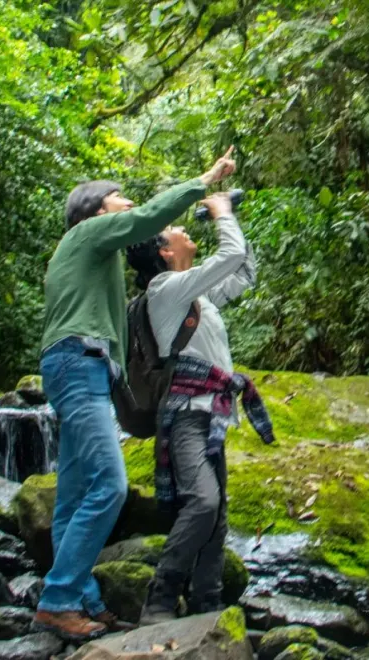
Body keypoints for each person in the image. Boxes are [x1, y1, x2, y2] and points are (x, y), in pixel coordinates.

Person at [32, 148, 237, 642]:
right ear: (96, 210)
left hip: (77, 365)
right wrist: (205, 179)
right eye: (118, 197)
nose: (127, 203)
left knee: (73, 496)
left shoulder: (88, 254)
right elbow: (147, 218)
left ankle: (82, 598)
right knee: (110, 485)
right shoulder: (87, 234)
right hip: (79, 362)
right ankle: (58, 600)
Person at [125, 193, 275, 624]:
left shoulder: (194, 294)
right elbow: (229, 256)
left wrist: (230, 217)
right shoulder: (165, 290)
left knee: (218, 512)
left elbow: (243, 272)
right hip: (187, 413)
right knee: (204, 502)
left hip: (211, 413)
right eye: (173, 230)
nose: (182, 228)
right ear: (164, 251)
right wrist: (221, 212)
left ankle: (207, 601)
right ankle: (159, 599)